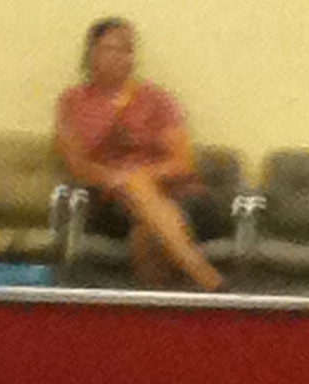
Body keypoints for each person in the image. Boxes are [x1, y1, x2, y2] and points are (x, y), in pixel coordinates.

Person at [54, 18, 225, 292]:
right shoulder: (73, 102)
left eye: (128, 49)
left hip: (179, 196)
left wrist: (139, 177)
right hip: (109, 204)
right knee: (145, 220)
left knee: (146, 232)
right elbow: (76, 164)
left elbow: (182, 162)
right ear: (91, 53)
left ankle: (160, 310)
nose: (121, 57)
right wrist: (116, 179)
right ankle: (209, 284)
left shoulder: (157, 100)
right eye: (112, 49)